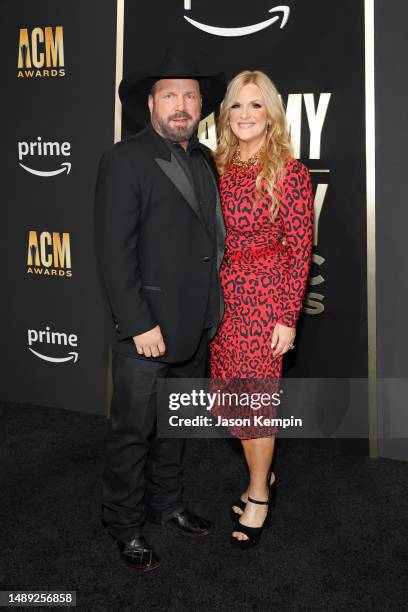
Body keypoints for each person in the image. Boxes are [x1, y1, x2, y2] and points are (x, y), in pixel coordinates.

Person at [94, 49, 226, 571]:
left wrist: (212, 311)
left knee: (175, 425)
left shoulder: (204, 158)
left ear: (200, 106)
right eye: (169, 95)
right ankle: (123, 524)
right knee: (133, 434)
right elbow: (113, 251)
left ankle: (167, 504)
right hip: (147, 330)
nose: (181, 104)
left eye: (190, 96)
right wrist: (138, 322)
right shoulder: (123, 159)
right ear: (150, 103)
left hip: (195, 324)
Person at [209, 70, 314, 548]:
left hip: (266, 297)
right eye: (236, 105)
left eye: (255, 105)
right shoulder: (217, 166)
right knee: (232, 401)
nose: (245, 114)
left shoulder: (289, 171)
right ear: (226, 114)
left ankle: (258, 493)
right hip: (223, 297)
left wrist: (287, 316)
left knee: (256, 406)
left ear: (270, 113)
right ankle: (261, 477)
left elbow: (299, 248)